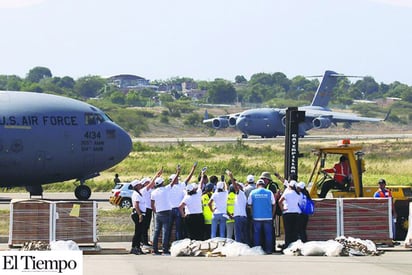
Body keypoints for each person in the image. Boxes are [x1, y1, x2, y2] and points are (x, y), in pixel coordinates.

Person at [129, 169, 160, 255]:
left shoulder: (139, 193)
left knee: (139, 231)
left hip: (141, 213)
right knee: (138, 232)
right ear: (136, 186)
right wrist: (139, 215)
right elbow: (136, 205)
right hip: (138, 214)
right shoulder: (136, 194)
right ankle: (135, 247)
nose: (141, 184)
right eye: (139, 184)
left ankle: (137, 247)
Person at [168, 162, 197, 242]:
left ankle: (167, 245)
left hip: (170, 209)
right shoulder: (181, 186)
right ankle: (177, 243)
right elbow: (188, 178)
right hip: (178, 209)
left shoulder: (168, 187)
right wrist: (193, 169)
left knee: (168, 228)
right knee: (178, 228)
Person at [247, 179, 276, 254]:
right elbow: (274, 203)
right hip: (268, 217)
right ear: (264, 185)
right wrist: (272, 215)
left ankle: (257, 250)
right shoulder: (269, 192)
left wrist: (251, 214)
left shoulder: (253, 192)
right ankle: (269, 250)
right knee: (268, 234)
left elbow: (249, 204)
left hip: (257, 217)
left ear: (257, 185)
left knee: (257, 234)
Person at [179, 169, 206, 241]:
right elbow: (201, 184)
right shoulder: (198, 194)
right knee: (200, 233)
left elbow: (180, 207)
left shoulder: (186, 197)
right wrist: (202, 174)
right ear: (193, 190)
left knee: (191, 234)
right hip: (199, 216)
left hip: (190, 217)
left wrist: (183, 215)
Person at [278, 180, 303, 249]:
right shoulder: (299, 194)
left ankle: (287, 246)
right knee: (295, 231)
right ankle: (294, 246)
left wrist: (282, 209)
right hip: (296, 213)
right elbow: (300, 204)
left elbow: (279, 201)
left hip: (287, 213)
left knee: (288, 231)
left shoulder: (287, 193)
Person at [151, 176, 172, 255]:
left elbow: (152, 204)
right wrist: (178, 172)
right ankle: (165, 250)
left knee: (156, 231)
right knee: (165, 231)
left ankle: (154, 249)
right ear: (162, 183)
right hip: (166, 211)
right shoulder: (166, 189)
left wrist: (155, 211)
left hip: (158, 212)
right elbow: (172, 183)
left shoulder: (153, 192)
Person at [227, 170, 249, 244]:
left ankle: (239, 248)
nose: (236, 187)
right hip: (243, 217)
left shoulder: (240, 193)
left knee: (238, 235)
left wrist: (231, 177)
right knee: (244, 234)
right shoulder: (243, 196)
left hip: (239, 218)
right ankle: (245, 247)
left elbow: (235, 187)